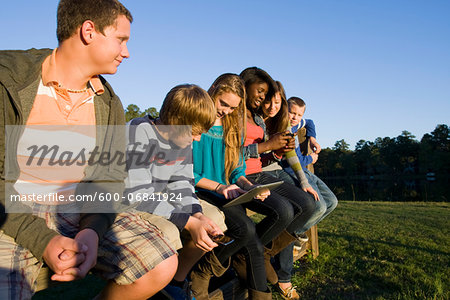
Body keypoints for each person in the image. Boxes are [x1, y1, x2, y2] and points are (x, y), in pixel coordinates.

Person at [0, 1, 179, 299]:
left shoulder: (108, 102)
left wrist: (92, 231)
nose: (127, 52)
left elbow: (108, 179)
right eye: (121, 39)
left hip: (75, 204)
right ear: (88, 31)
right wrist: (43, 240)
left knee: (161, 264)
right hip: (13, 206)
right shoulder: (9, 82)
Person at [124, 84, 227, 300]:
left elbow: (182, 181)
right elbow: (138, 194)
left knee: (213, 218)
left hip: (157, 196)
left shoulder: (182, 138)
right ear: (176, 123)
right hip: (130, 202)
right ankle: (148, 285)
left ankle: (175, 280)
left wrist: (196, 214)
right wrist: (188, 222)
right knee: (170, 230)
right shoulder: (138, 132)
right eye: (195, 133)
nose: (197, 139)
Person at [192, 73, 282, 300]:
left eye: (233, 108)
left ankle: (258, 293)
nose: (226, 111)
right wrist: (220, 188)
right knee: (245, 230)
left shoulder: (231, 126)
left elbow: (236, 169)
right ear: (212, 89)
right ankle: (202, 271)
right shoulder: (195, 121)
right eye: (223, 104)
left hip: (226, 191)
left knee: (250, 234)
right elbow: (187, 173)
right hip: (202, 190)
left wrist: (248, 185)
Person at [240, 68, 318, 299]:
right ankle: (254, 252)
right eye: (266, 99)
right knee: (285, 210)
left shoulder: (266, 120)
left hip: (262, 171)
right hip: (249, 175)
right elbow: (232, 155)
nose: (271, 105)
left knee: (310, 204)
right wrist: (269, 148)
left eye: (276, 101)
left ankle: (263, 250)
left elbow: (278, 154)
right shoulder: (244, 117)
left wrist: (280, 154)